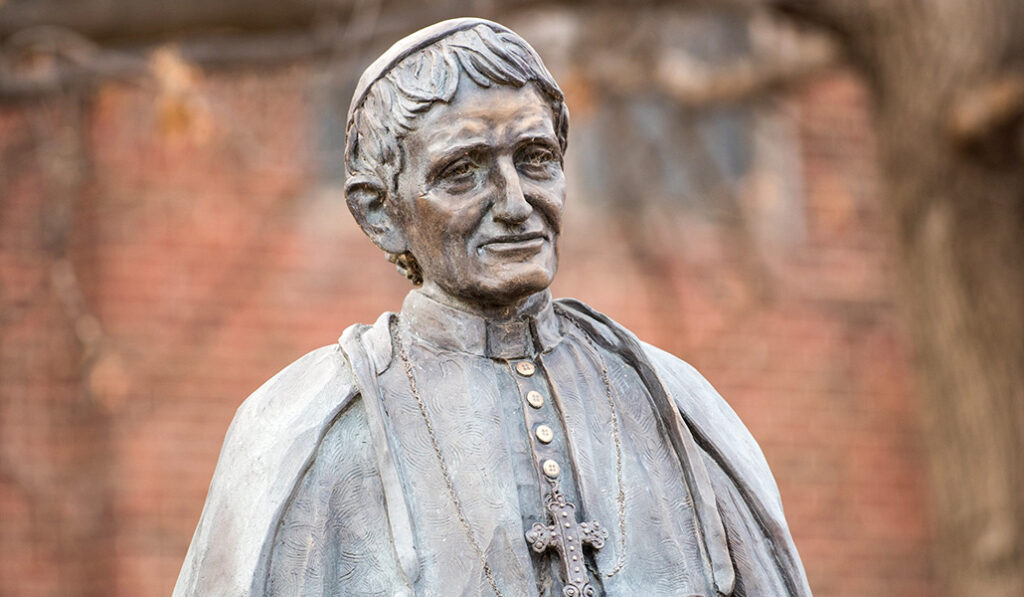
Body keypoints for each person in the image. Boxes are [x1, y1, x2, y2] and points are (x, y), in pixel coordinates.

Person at [174, 18, 812, 597]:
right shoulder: (304, 431)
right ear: (380, 211)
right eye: (463, 173)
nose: (514, 203)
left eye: (535, 160)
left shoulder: (676, 408)